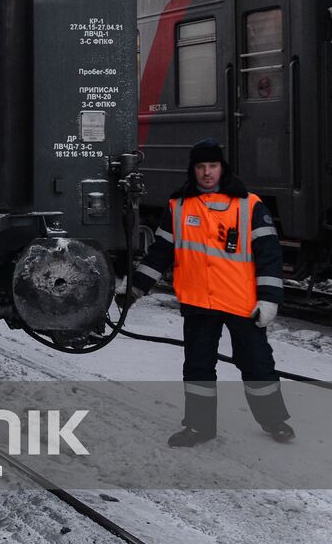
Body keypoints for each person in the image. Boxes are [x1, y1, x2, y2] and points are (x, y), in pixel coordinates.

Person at [123, 138, 293, 446]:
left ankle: (274, 421)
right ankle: (200, 427)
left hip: (242, 303)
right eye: (200, 167)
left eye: (212, 166)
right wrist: (134, 289)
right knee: (198, 367)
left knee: (256, 363)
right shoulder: (178, 207)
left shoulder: (249, 206)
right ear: (193, 170)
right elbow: (160, 253)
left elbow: (270, 257)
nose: (206, 173)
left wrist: (269, 299)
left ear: (222, 168)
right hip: (198, 303)